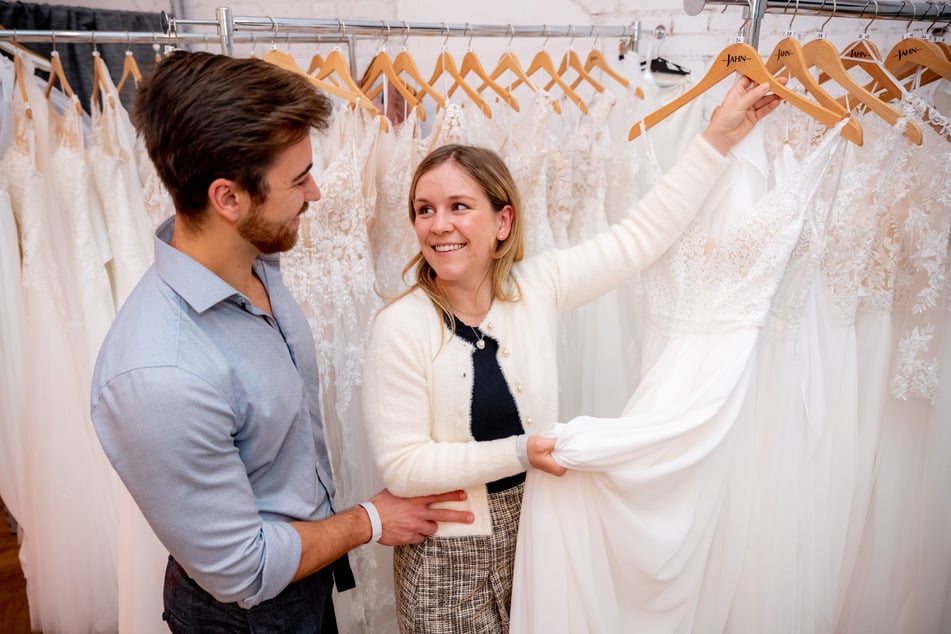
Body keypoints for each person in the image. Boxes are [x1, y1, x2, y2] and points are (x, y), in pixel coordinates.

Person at [361, 74, 784, 633]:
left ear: (502, 220)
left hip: (543, 535)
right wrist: (521, 452)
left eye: (459, 206)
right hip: (446, 559)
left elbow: (639, 236)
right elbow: (404, 466)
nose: (439, 226)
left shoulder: (540, 285)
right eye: (424, 210)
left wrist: (716, 141)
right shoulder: (400, 326)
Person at [89, 50, 473, 633]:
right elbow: (245, 570)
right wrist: (370, 520)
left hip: (305, 579)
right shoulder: (158, 376)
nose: (316, 193)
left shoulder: (256, 260)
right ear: (228, 199)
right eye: (298, 180)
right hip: (250, 615)